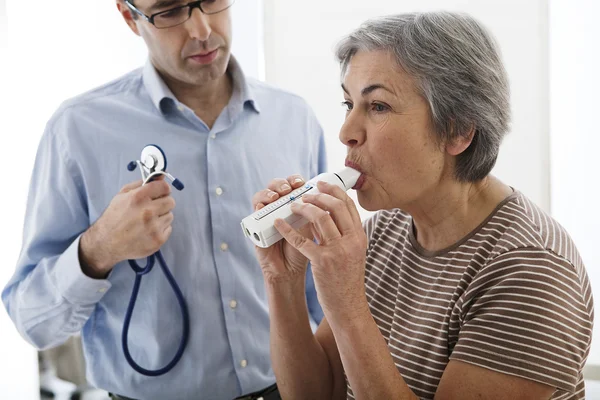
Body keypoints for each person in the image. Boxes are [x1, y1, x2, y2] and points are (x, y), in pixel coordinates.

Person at [251, 11, 594, 400]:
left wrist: (346, 303)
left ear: (459, 129)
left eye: (378, 106)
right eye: (349, 104)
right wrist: (284, 282)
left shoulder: (531, 270)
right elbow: (318, 393)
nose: (346, 132)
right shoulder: (384, 230)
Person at [2, 0, 326, 399]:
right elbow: (33, 322)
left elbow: (322, 288)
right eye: (170, 11)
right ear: (129, 17)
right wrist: (98, 249)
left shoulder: (294, 118)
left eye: (210, 1)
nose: (202, 30)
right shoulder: (77, 131)